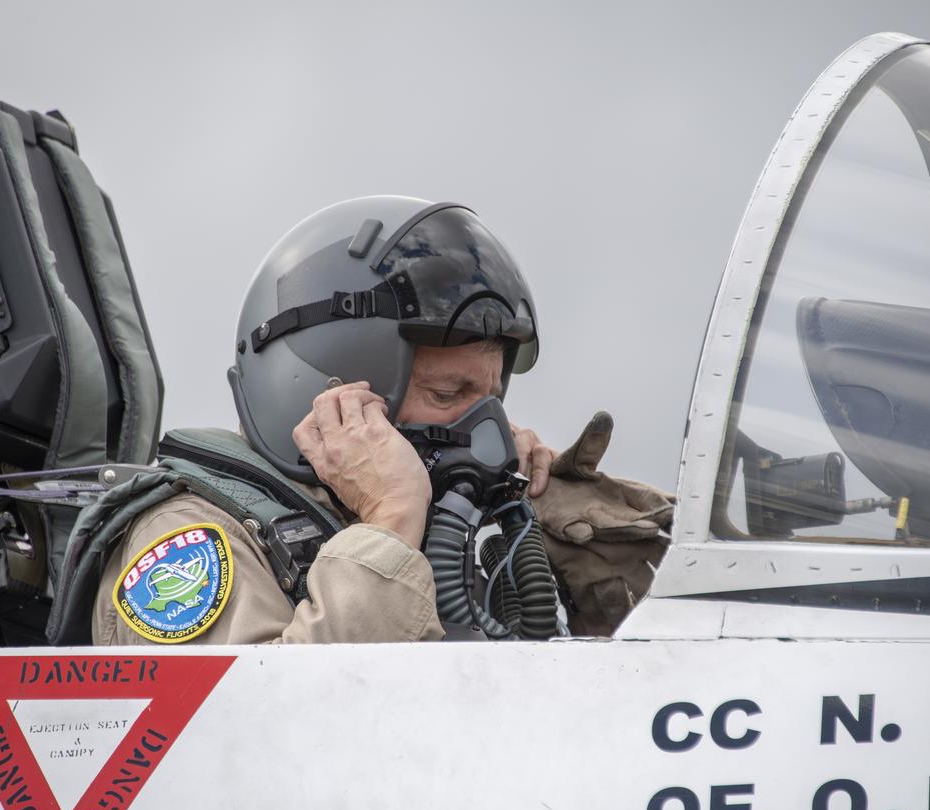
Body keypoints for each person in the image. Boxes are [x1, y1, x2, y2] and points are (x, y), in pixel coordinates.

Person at [91, 196, 672, 645]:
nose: (485, 427)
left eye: (492, 396)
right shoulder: (186, 541)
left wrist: (542, 546)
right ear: (329, 391)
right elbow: (252, 738)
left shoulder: (445, 529)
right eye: (449, 393)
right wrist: (392, 517)